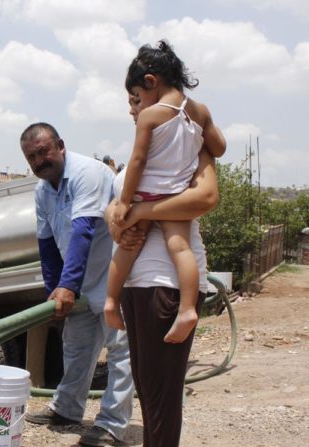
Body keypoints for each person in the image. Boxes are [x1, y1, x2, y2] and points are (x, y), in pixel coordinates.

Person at [97, 94, 220, 447]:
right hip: (137, 281)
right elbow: (119, 207)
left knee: (163, 388)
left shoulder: (192, 144)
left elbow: (204, 198)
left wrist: (139, 212)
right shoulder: (146, 149)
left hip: (167, 281)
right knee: (146, 384)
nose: (133, 108)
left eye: (138, 98)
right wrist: (120, 219)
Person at [20, 122, 134, 447]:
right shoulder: (43, 191)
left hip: (116, 274)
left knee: (120, 351)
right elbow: (47, 245)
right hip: (82, 280)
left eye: (44, 152)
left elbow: (83, 230)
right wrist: (53, 292)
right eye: (32, 157)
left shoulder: (88, 173)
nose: (40, 161)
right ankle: (67, 409)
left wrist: (67, 286)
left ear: (61, 146)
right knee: (77, 347)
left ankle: (113, 423)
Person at [104, 41, 226, 344]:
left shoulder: (152, 116)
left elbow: (137, 161)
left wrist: (126, 202)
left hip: (147, 195)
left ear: (150, 82)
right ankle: (187, 310)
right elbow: (220, 147)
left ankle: (109, 301)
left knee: (128, 246)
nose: (136, 105)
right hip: (174, 198)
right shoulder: (199, 112)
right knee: (180, 249)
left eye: (137, 97)